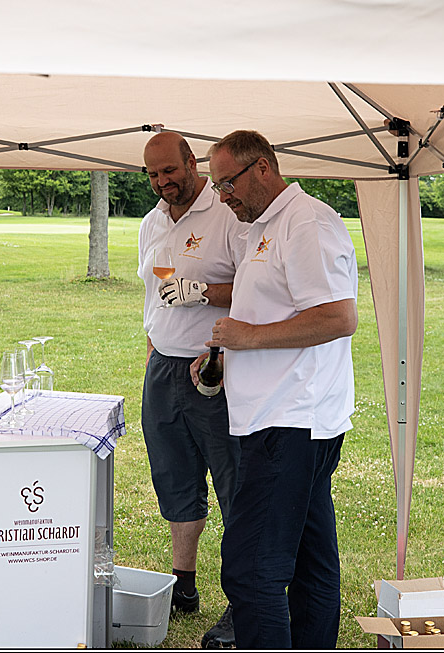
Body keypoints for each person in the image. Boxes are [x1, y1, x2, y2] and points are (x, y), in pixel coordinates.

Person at [193, 130, 358, 649]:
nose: (223, 196)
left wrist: (247, 337)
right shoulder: (262, 227)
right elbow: (273, 311)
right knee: (310, 563)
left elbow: (337, 317)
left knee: (251, 569)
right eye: (217, 186)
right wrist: (227, 354)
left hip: (291, 422)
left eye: (228, 183)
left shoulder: (307, 222)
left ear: (262, 167)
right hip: (278, 419)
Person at [137, 131, 249, 648]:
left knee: (235, 485)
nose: (163, 182)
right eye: (153, 175)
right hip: (163, 369)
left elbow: (256, 286)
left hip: (215, 369)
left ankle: (244, 600)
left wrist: (201, 291)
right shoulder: (151, 222)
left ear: (191, 162)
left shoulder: (228, 213)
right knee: (174, 478)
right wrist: (151, 351)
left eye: (169, 170)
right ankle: (183, 584)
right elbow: (152, 297)